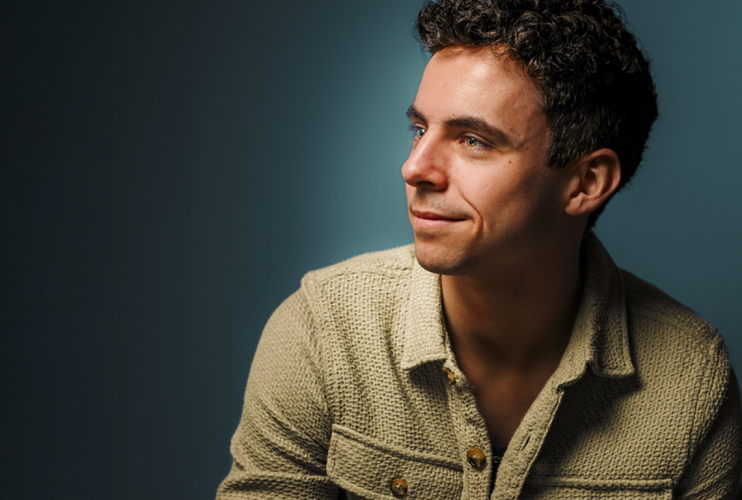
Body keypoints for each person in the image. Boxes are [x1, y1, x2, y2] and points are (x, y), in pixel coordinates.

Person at [216, 0, 742, 498]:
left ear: (586, 182)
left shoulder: (691, 377)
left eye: (473, 140)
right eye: (419, 129)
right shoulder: (323, 330)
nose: (415, 168)